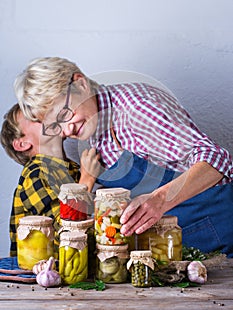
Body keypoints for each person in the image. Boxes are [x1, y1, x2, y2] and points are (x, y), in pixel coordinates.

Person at [13, 57, 233, 257]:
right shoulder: (94, 127)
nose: (66, 131)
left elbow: (217, 159)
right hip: (176, 250)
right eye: (55, 126)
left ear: (80, 84)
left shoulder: (136, 108)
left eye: (64, 114)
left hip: (219, 237)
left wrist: (159, 200)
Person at [0, 103, 100, 256]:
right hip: (39, 275)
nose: (46, 115)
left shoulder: (71, 171)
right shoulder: (35, 174)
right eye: (34, 117)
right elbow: (65, 234)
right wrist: (87, 179)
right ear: (23, 143)